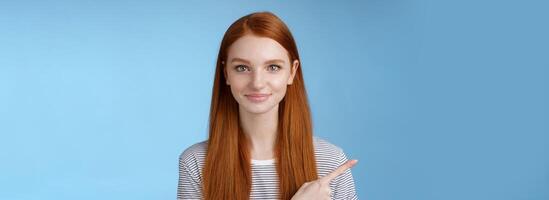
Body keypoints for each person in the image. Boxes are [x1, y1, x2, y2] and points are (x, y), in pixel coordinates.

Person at [177, 11, 359, 200]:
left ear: (292, 72)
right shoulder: (196, 163)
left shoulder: (330, 161)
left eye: (273, 67)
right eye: (242, 68)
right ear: (226, 74)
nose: (257, 83)